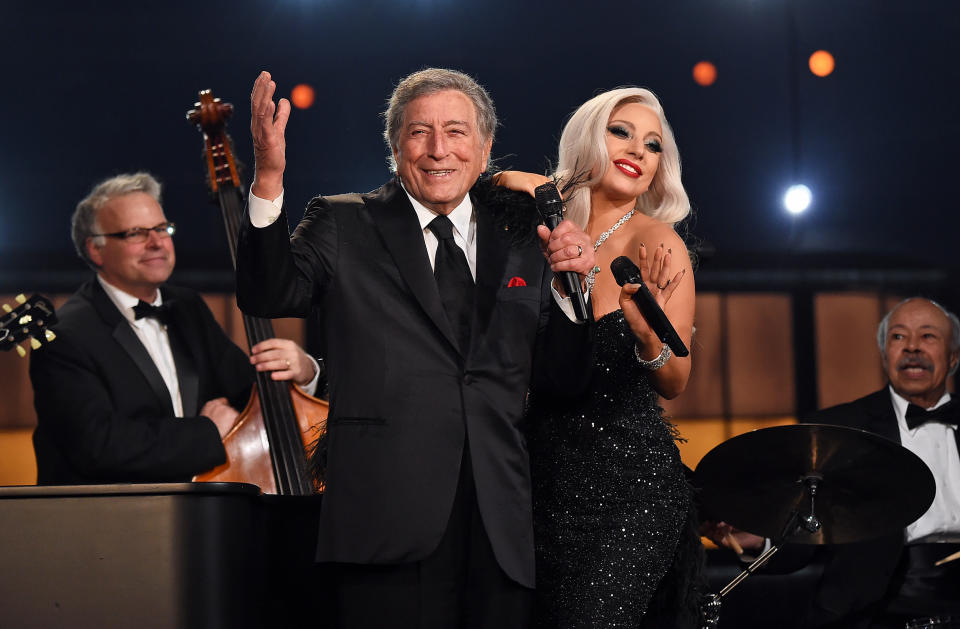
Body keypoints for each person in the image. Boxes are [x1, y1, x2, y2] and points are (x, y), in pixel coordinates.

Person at [236, 68, 596, 629]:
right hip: (384, 520)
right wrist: (267, 176)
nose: (438, 151)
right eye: (418, 132)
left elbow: (564, 381)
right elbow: (268, 290)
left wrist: (575, 293)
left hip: (500, 525)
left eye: (455, 132)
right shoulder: (342, 220)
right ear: (394, 146)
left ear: (485, 147)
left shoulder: (528, 237)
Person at [495, 87, 702, 627]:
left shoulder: (659, 245)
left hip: (629, 489)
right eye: (621, 132)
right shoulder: (528, 224)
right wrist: (539, 187)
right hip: (532, 482)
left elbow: (677, 379)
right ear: (588, 137)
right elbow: (471, 182)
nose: (638, 149)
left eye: (653, 145)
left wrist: (643, 336)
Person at [30, 172, 320, 484]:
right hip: (105, 521)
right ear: (95, 250)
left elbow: (244, 387)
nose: (156, 243)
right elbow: (99, 447)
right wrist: (208, 432)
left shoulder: (186, 306)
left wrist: (304, 372)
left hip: (193, 513)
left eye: (161, 229)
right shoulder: (63, 335)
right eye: (136, 234)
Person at [705, 297, 960, 627]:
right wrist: (763, 541)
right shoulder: (838, 429)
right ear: (884, 355)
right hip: (872, 610)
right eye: (898, 336)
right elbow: (805, 536)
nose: (912, 347)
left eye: (928, 336)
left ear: (953, 357)